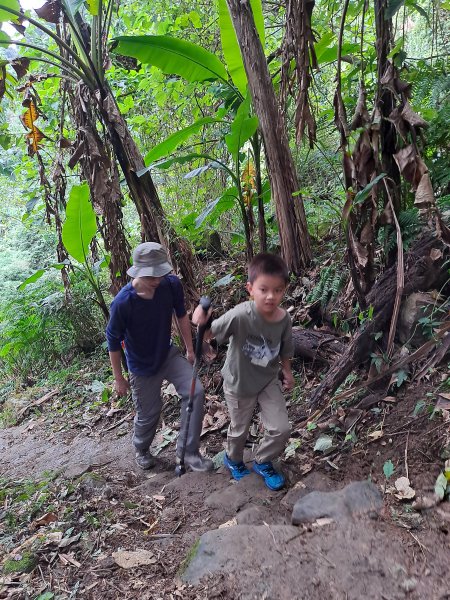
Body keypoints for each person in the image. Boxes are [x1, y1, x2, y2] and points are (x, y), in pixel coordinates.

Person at [106, 242, 213, 472]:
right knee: (149, 414)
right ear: (138, 272)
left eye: (160, 274)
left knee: (195, 392)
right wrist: (118, 378)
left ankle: (189, 453)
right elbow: (113, 342)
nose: (157, 279)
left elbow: (181, 315)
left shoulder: (170, 284)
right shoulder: (123, 303)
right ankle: (142, 448)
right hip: (142, 366)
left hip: (167, 354)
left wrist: (190, 349)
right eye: (151, 275)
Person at [192, 253, 294, 490]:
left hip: (268, 379)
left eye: (278, 290)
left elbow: (286, 348)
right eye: (263, 289)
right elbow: (209, 334)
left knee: (281, 429)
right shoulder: (240, 315)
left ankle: (263, 460)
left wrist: (287, 372)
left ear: (284, 290)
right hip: (239, 383)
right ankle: (233, 459)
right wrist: (201, 321)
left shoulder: (283, 319)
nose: (271, 296)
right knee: (239, 431)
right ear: (250, 288)